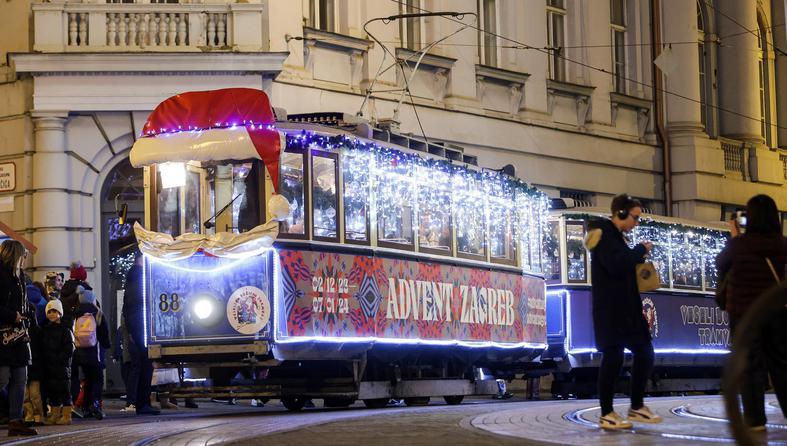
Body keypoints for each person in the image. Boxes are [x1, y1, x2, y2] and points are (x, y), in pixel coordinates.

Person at [583, 194, 661, 430]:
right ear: (621, 214)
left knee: (645, 351)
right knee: (613, 359)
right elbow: (616, 264)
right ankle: (607, 412)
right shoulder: (604, 236)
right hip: (611, 311)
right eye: (634, 217)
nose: (636, 223)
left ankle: (636, 406)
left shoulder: (617, 237)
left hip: (627, 309)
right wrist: (639, 250)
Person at [716, 194, 787, 431]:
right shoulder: (783, 244)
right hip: (776, 312)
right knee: (781, 364)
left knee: (750, 366)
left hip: (744, 315)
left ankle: (755, 420)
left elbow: (721, 264)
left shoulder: (739, 245)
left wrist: (735, 237)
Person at [0, 240, 37, 436]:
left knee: (20, 378)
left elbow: (23, 302)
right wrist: (12, 315)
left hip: (19, 334)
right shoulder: (2, 275)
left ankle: (16, 420)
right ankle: (13, 418)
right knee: (3, 377)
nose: (25, 258)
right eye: (22, 255)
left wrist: (27, 312)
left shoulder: (21, 276)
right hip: (4, 335)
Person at [123, 252, 160, 416]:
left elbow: (128, 306)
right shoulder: (141, 277)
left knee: (141, 364)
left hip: (135, 324)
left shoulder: (132, 277)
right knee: (145, 364)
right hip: (142, 324)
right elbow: (142, 300)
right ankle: (143, 403)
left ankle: (141, 402)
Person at [70, 286, 109, 420]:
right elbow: (104, 333)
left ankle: (86, 407)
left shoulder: (76, 313)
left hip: (79, 353)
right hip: (94, 353)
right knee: (97, 379)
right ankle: (95, 404)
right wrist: (106, 345)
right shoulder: (97, 313)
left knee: (86, 380)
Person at [40, 299, 74, 425]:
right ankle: (54, 414)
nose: (52, 314)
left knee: (65, 391)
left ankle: (66, 415)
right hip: (50, 366)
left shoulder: (65, 330)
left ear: (60, 313)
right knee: (53, 392)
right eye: (49, 312)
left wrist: (61, 359)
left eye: (55, 311)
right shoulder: (45, 330)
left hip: (62, 367)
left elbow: (69, 348)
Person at [22, 280, 44, 426]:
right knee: (27, 395)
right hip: (29, 364)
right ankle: (30, 415)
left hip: (30, 364)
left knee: (32, 394)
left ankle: (37, 416)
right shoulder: (34, 330)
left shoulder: (34, 331)